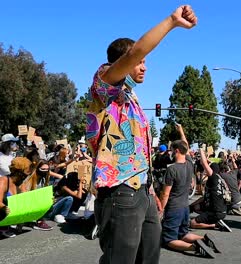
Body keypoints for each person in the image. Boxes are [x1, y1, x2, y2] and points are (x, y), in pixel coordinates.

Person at [85, 5, 197, 264]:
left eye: (145, 63)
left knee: (149, 254)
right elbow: (136, 50)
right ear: (121, 64)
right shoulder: (104, 85)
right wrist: (172, 21)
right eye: (139, 62)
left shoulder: (131, 99)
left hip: (142, 190)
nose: (144, 67)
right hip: (119, 191)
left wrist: (151, 192)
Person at [159, 139, 218, 258]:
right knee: (183, 234)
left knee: (168, 240)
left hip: (174, 207)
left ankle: (195, 247)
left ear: (176, 151)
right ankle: (204, 239)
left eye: (171, 151)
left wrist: (160, 209)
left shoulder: (172, 169)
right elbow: (186, 146)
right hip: (185, 207)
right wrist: (181, 131)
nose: (170, 153)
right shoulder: (190, 164)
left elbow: (165, 194)